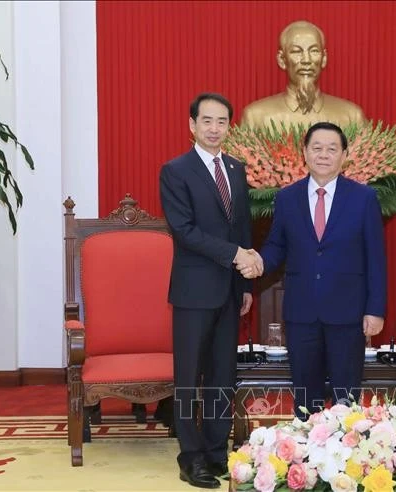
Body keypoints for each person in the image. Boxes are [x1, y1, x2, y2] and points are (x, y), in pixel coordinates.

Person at [238, 122, 387, 420]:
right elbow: (276, 246)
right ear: (304, 153)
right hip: (301, 312)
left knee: (347, 400)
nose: (324, 155)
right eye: (316, 148)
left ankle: (348, 461)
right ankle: (305, 459)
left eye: (332, 149)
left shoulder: (363, 198)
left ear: (344, 155)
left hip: (348, 312)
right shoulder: (287, 198)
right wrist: (258, 262)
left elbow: (376, 258)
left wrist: (375, 309)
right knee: (306, 398)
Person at [159, 92, 263, 489]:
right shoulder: (175, 170)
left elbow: (241, 228)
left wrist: (246, 283)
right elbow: (184, 231)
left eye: (222, 122)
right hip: (192, 291)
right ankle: (192, 457)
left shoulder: (235, 168)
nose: (214, 128)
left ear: (229, 126)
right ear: (192, 125)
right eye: (207, 121)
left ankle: (218, 453)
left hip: (229, 291)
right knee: (190, 378)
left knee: (223, 375)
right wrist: (237, 254)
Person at [240, 21, 367, 130]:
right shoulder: (256, 117)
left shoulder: (352, 116)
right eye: (296, 51)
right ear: (282, 59)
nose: (306, 60)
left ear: (324, 58)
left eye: (314, 51)